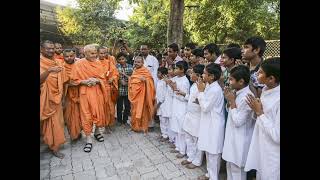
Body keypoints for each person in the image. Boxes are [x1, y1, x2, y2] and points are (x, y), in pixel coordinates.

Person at [245, 57, 280, 180]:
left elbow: (277, 135)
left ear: (271, 78)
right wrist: (256, 110)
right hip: (261, 146)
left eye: (260, 72)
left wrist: (259, 113)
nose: (256, 74)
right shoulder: (266, 90)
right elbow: (260, 118)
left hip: (272, 154)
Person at [70, 44, 107, 153]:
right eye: (92, 53)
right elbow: (72, 81)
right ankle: (89, 139)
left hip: (97, 92)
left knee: (98, 113)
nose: (94, 55)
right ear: (85, 53)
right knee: (86, 115)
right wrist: (83, 81)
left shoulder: (98, 63)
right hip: (84, 93)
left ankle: (96, 133)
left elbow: (103, 78)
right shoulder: (78, 64)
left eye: (95, 53)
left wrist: (96, 80)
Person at [222, 65, 255, 180]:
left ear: (241, 81)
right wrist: (229, 101)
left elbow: (238, 121)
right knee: (229, 166)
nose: (228, 81)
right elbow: (230, 110)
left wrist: (231, 101)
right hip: (232, 137)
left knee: (237, 171)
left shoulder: (247, 97)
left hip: (240, 140)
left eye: (231, 79)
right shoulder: (237, 92)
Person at [197, 63, 225, 180]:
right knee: (208, 150)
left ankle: (214, 177)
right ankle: (209, 174)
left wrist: (201, 92)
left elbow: (206, 107)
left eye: (204, 73)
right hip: (208, 122)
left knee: (213, 152)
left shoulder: (215, 89)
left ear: (212, 76)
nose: (202, 75)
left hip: (214, 124)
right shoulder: (209, 85)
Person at [40, 40, 66, 158]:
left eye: (52, 48)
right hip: (44, 98)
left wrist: (63, 97)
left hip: (57, 98)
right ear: (41, 49)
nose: (51, 50)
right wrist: (49, 71)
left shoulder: (57, 62)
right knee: (46, 124)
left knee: (57, 123)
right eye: (48, 48)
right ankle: (50, 144)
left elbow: (62, 81)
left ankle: (55, 146)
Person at [181, 64, 205, 169]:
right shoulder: (194, 85)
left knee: (196, 139)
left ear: (198, 75)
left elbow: (202, 102)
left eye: (192, 73)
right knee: (188, 136)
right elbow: (191, 99)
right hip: (189, 114)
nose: (190, 74)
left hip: (197, 117)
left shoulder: (202, 87)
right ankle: (190, 157)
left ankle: (197, 161)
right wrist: (184, 95)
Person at [128, 56, 156, 134]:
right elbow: (132, 80)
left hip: (142, 95)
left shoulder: (146, 71)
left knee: (142, 110)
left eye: (138, 62)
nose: (136, 63)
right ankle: (134, 126)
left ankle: (141, 127)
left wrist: (146, 80)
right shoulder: (135, 70)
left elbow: (150, 81)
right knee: (134, 110)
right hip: (134, 95)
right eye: (135, 62)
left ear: (143, 63)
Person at [168, 61, 190, 159]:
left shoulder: (185, 81)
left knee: (181, 130)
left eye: (177, 68)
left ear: (182, 70)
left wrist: (174, 89)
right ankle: (178, 146)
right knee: (176, 127)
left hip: (182, 106)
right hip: (175, 105)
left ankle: (183, 150)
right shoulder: (175, 78)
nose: (175, 70)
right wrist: (171, 87)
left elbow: (184, 97)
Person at [98, 46, 119, 132]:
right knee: (101, 108)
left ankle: (109, 124)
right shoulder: (94, 63)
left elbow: (116, 74)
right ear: (97, 53)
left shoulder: (109, 63)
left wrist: (113, 78)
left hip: (109, 89)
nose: (103, 55)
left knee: (110, 108)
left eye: (104, 53)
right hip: (99, 89)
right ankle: (102, 126)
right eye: (101, 53)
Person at [62, 49, 82, 141]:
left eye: (71, 56)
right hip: (67, 95)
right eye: (67, 56)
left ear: (74, 55)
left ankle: (79, 131)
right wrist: (70, 84)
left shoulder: (79, 65)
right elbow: (59, 82)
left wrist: (78, 83)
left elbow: (83, 77)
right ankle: (73, 134)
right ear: (63, 57)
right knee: (69, 116)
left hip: (80, 93)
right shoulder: (61, 67)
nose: (69, 58)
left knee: (80, 114)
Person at [140, 45, 160, 130]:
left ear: (148, 50)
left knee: (150, 103)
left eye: (145, 49)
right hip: (141, 85)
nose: (143, 51)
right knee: (142, 104)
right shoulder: (138, 59)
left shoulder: (153, 59)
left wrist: (154, 86)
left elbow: (156, 74)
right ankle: (143, 122)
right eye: (141, 49)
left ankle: (151, 123)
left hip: (151, 85)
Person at [116, 52, 133, 126]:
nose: (121, 60)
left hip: (128, 90)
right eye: (120, 59)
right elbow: (114, 76)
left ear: (126, 59)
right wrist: (120, 81)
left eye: (123, 59)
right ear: (118, 60)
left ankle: (125, 120)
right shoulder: (116, 67)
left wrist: (126, 82)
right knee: (119, 106)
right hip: (119, 90)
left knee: (127, 106)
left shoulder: (130, 67)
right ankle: (119, 120)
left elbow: (133, 77)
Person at [162, 65, 176, 145]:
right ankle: (169, 138)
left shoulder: (173, 80)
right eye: (168, 69)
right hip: (167, 103)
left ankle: (173, 140)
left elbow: (173, 93)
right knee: (167, 122)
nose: (168, 71)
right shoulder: (169, 79)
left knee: (171, 122)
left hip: (172, 104)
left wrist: (169, 84)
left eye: (170, 69)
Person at [155, 67, 169, 141]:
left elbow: (162, 96)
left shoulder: (164, 82)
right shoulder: (159, 81)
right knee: (161, 120)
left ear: (163, 75)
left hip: (162, 104)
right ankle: (163, 134)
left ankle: (166, 135)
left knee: (164, 121)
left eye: (159, 73)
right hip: (159, 103)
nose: (157, 74)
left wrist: (158, 105)